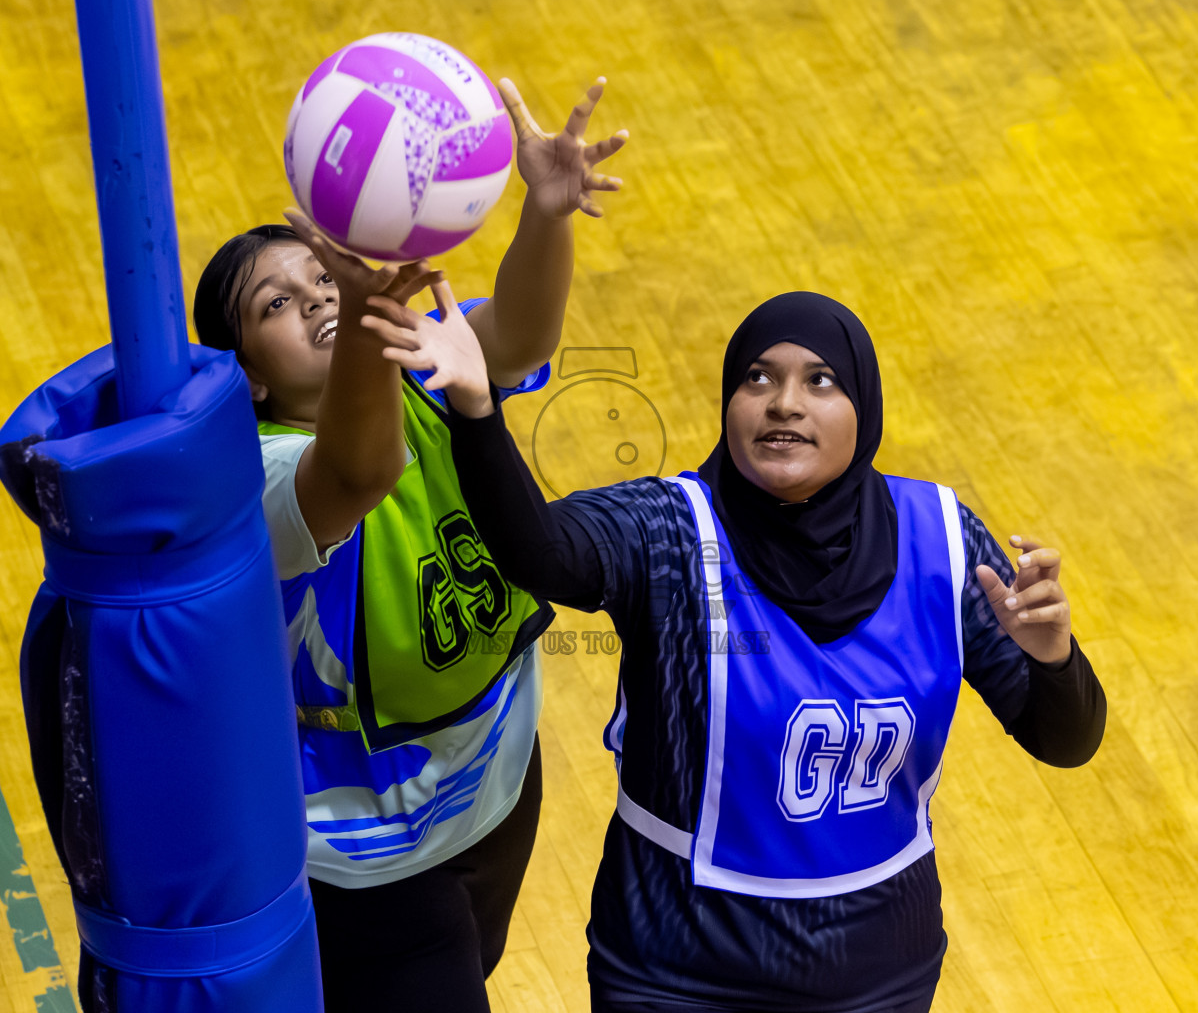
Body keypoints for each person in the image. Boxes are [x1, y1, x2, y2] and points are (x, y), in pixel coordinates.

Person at [360, 288, 1108, 1012]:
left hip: (879, 973)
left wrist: (1053, 659)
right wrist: (477, 412)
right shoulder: (670, 531)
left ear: (865, 410)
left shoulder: (943, 536)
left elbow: (1065, 741)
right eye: (758, 378)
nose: (784, 402)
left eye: (821, 381)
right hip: (679, 972)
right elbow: (541, 552)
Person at [191, 77, 625, 1013]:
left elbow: (515, 334)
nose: (315, 300)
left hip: (497, 780)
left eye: (323, 279)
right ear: (249, 378)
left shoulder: (420, 363)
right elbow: (356, 471)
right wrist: (363, 321)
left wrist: (547, 217)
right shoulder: (253, 481)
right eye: (277, 304)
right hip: (362, 856)